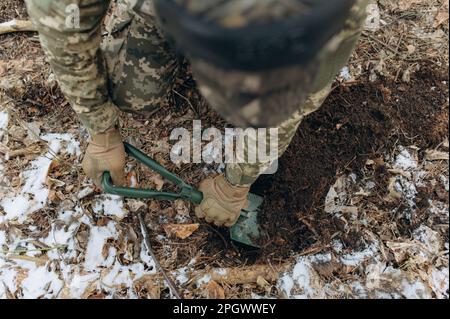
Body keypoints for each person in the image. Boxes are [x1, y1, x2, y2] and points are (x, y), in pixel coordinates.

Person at [25, 0, 368, 228]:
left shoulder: (336, 11)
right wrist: (100, 129)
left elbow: (295, 102)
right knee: (135, 95)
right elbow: (66, 37)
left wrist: (238, 183)